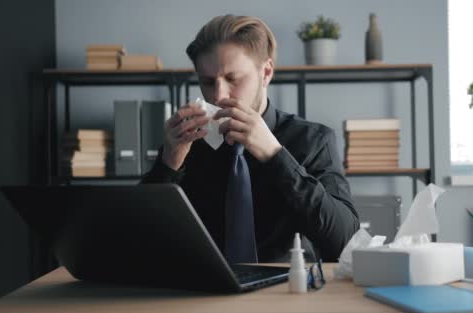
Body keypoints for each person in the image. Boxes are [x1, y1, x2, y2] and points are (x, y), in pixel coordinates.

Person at [141, 14, 358, 262]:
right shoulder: (188, 144)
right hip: (203, 293)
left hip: (288, 292)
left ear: (265, 73)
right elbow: (141, 241)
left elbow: (345, 242)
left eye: (233, 79)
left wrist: (276, 156)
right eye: (207, 82)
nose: (219, 95)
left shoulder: (313, 140)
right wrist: (168, 164)